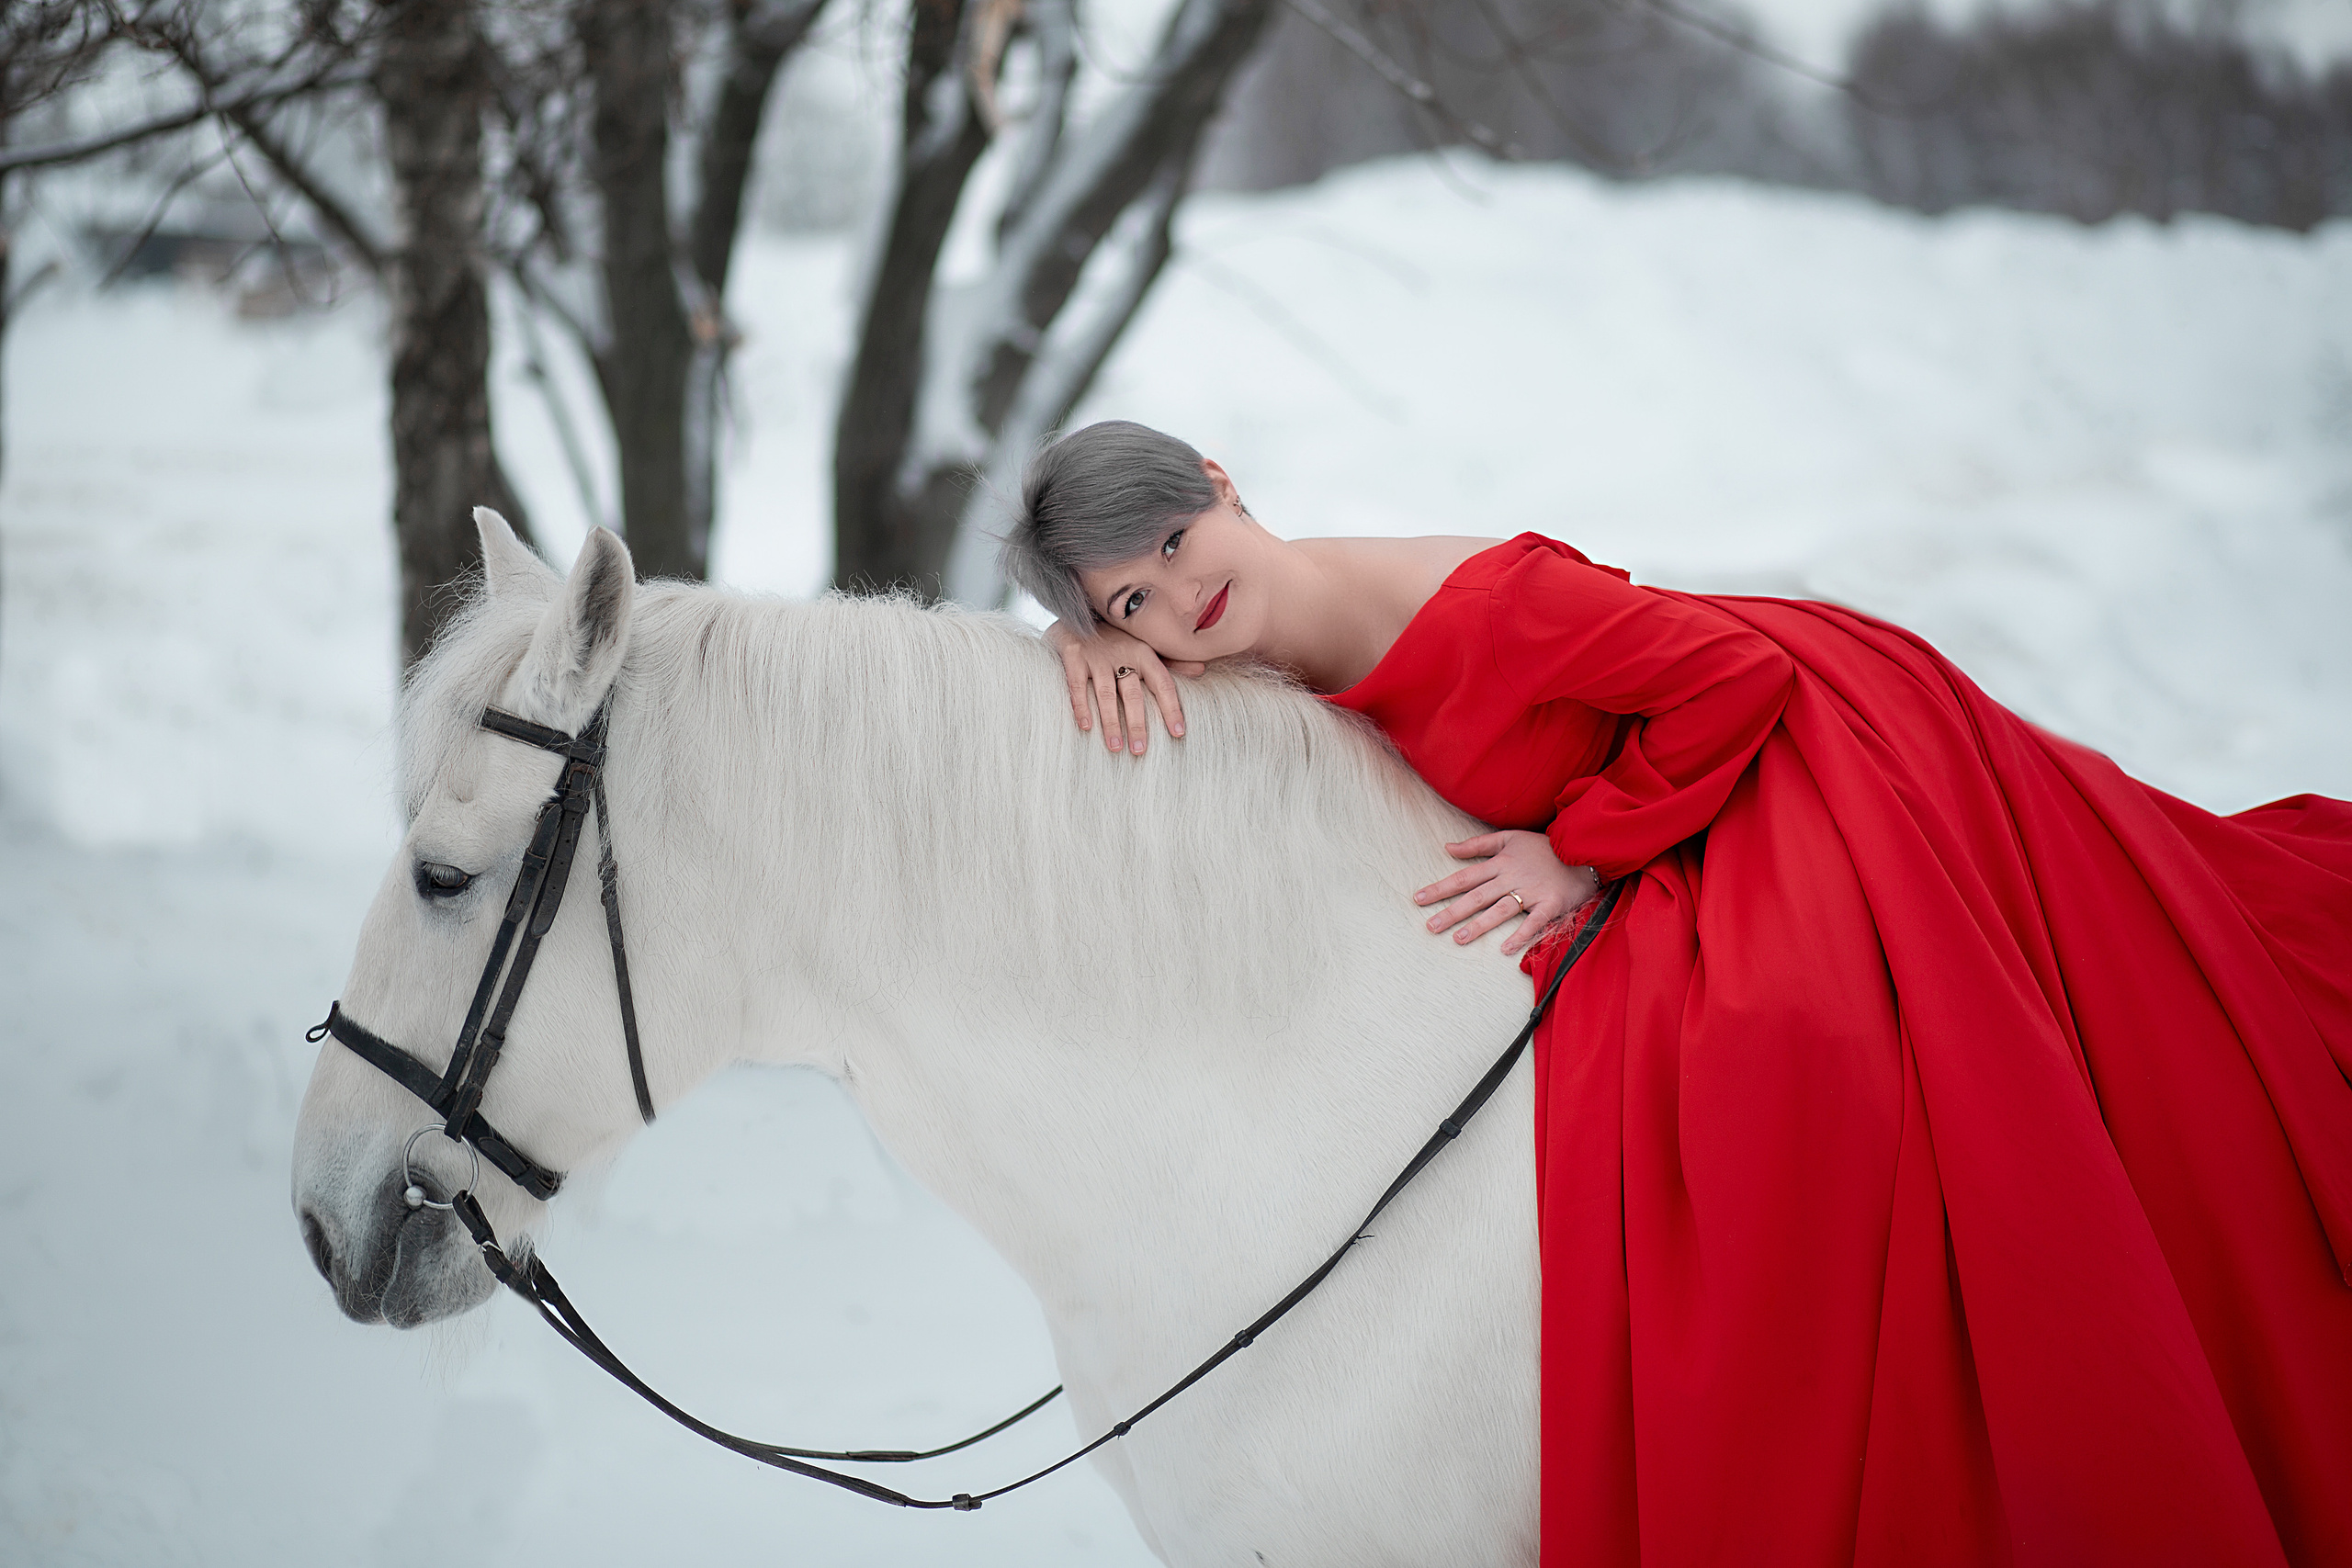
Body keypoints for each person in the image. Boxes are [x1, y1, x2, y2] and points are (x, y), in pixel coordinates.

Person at [999, 420, 2352, 1568]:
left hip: (1787, 743)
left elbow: (1732, 681)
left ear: (1224, 486)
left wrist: (1580, 846)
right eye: (1134, 607)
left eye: (1176, 547)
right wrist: (1074, 650)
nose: (1180, 603)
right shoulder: (1235, 656)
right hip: (1676, 760)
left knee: (1797, 1045)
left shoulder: (1482, 606)